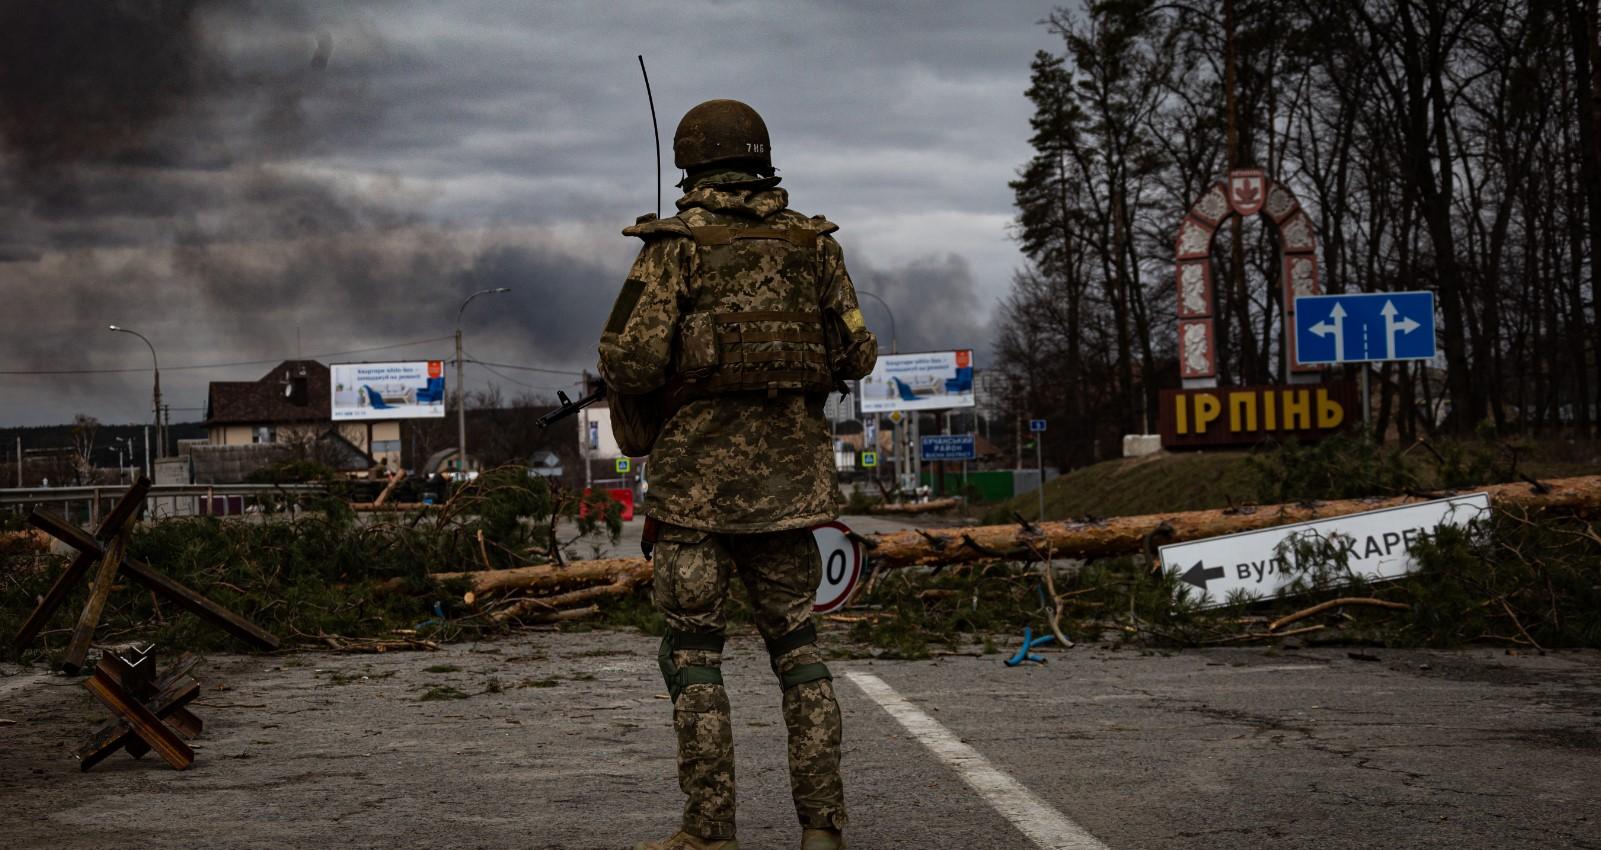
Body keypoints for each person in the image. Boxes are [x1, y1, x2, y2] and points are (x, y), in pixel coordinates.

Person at [597, 98, 877, 850]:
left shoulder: (674, 246)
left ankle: (709, 831)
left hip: (695, 490)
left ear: (691, 162)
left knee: (692, 654)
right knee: (798, 649)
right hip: (790, 490)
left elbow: (628, 357)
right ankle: (822, 829)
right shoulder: (814, 246)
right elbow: (855, 355)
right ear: (761, 158)